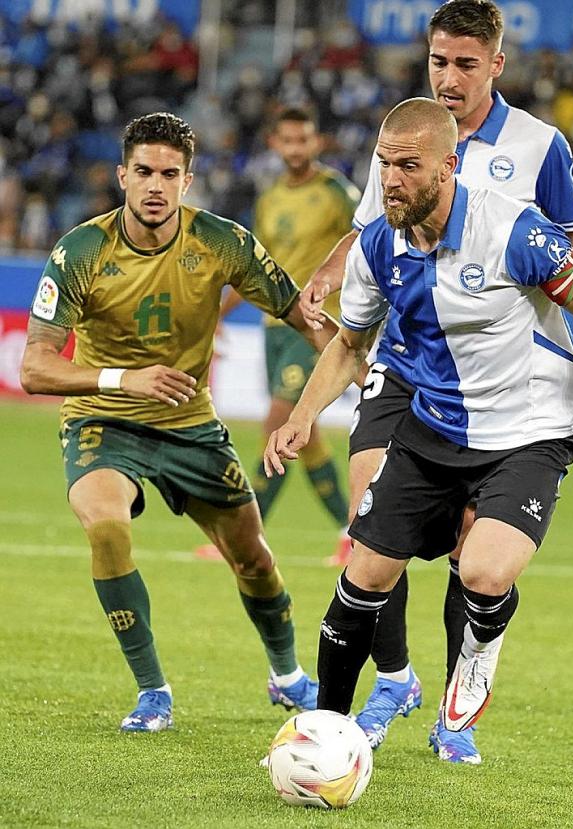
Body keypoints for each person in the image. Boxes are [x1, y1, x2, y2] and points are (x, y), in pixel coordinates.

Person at [265, 98, 573, 763]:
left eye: (408, 166)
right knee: (361, 578)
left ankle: (475, 654)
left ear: (449, 166)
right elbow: (349, 342)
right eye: (384, 165)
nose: (391, 180)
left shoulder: (515, 233)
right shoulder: (376, 244)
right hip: (434, 426)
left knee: (481, 569)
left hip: (527, 431)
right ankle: (323, 735)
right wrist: (303, 416)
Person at [20, 112, 339, 732]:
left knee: (253, 559)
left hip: (191, 425)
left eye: (170, 174)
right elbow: (35, 367)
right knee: (106, 527)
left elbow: (304, 318)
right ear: (122, 176)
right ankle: (152, 691)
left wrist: (370, 360)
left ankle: (288, 674)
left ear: (188, 181)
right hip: (104, 421)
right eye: (143, 172)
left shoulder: (221, 241)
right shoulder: (81, 250)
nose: (156, 186)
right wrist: (122, 379)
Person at [198, 108, 359, 562]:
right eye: (287, 140)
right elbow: (257, 269)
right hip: (274, 327)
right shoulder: (269, 200)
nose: (295, 148)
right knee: (303, 437)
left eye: (303, 139)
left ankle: (245, 536)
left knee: (278, 422)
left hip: (317, 326)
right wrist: (219, 313)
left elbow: (369, 241)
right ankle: (353, 531)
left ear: (316, 143)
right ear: (274, 143)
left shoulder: (337, 193)